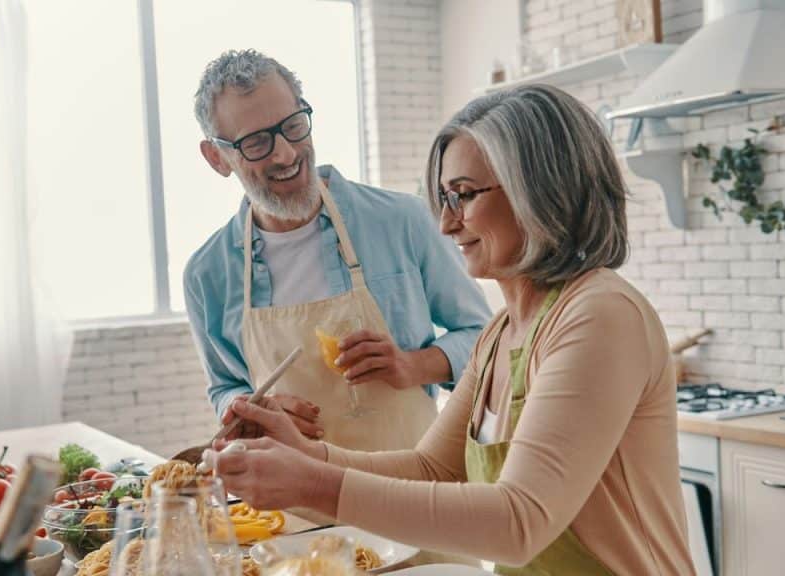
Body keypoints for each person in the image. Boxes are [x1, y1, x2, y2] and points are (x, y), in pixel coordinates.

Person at [208, 85, 697, 575]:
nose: (445, 224)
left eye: (462, 195)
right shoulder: (501, 334)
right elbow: (432, 469)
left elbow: (518, 522)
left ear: (542, 189)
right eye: (443, 198)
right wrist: (307, 453)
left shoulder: (599, 315)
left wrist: (312, 484)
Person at [184, 49, 490, 452]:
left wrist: (412, 365)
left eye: (293, 126)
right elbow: (225, 387)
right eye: (256, 142)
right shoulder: (207, 274)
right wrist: (249, 409)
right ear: (217, 158)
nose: (286, 153)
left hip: (409, 494)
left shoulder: (403, 221)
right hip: (290, 506)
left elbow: (485, 340)